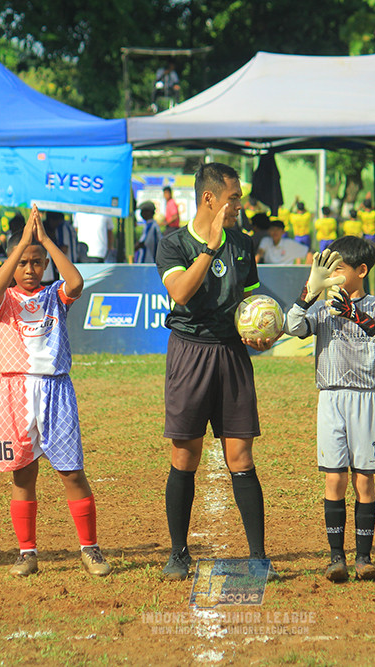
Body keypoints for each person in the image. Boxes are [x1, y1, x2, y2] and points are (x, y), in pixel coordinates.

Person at [154, 162, 278, 581]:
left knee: (241, 455)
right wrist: (209, 248)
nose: (239, 205)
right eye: (234, 198)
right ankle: (178, 553)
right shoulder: (173, 245)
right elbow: (182, 293)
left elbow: (251, 304)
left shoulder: (243, 245)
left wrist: (263, 332)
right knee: (184, 455)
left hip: (231, 356)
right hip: (190, 354)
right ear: (210, 198)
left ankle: (258, 557)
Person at [0, 206, 111, 578]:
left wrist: (44, 241)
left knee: (72, 472)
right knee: (23, 475)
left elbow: (76, 282)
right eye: (23, 262)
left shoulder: (55, 294)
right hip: (14, 391)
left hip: (56, 390)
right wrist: (23, 241)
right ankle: (27, 552)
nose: (29, 269)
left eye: (36, 262)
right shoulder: (4, 301)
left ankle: (89, 548)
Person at [283, 237, 375, 582]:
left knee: (364, 481)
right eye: (327, 269)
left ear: (361, 271)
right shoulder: (321, 309)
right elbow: (291, 327)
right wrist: (308, 294)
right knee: (335, 477)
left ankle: (363, 558)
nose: (331, 275)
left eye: (338, 269)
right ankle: (336, 557)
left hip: (368, 398)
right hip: (331, 399)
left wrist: (356, 315)